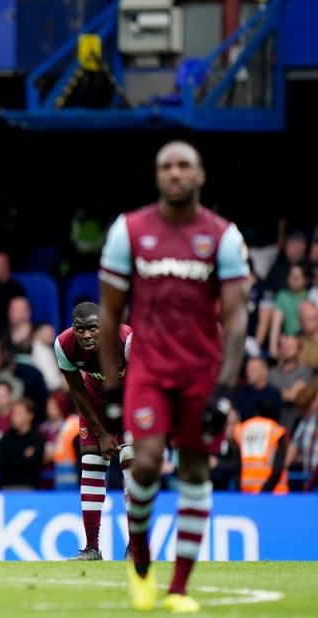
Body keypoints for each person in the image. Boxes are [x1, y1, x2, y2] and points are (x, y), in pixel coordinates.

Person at [98, 142, 249, 613]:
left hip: (200, 374)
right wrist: (113, 391)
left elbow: (238, 317)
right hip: (148, 370)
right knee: (143, 464)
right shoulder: (129, 230)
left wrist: (224, 390)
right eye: (166, 166)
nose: (175, 173)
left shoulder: (223, 237)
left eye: (185, 166)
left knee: (195, 470)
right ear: (157, 175)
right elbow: (108, 313)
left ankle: (179, 589)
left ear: (201, 175)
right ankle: (140, 561)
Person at [54, 302, 134, 560]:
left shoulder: (128, 341)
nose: (86, 335)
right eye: (80, 329)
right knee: (91, 466)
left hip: (130, 404)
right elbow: (77, 391)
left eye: (93, 329)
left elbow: (143, 385)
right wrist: (101, 433)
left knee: (131, 467)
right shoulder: (63, 345)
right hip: (95, 405)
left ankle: (136, 547)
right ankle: (92, 548)